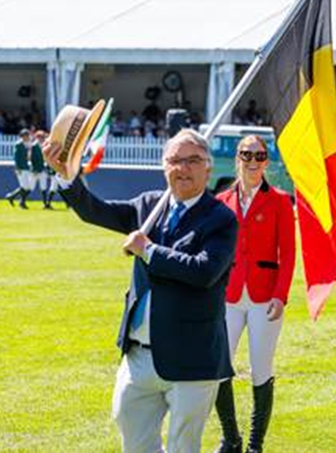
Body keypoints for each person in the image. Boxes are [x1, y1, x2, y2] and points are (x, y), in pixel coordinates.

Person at [43, 127, 238, 453]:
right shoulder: (149, 205)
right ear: (163, 166)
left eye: (193, 160)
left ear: (208, 168)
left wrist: (148, 251)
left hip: (192, 357)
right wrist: (66, 176)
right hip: (140, 356)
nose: (183, 168)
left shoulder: (221, 218)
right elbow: (95, 211)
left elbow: (204, 272)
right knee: (133, 440)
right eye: (174, 160)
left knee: (183, 446)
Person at [213, 135, 296, 453]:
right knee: (219, 366)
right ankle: (230, 437)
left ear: (266, 161)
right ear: (238, 158)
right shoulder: (221, 200)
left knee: (261, 368)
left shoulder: (279, 200)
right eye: (246, 154)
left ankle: (255, 444)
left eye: (259, 155)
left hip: (266, 297)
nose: (252, 161)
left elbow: (288, 253)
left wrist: (281, 294)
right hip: (229, 295)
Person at [4, 128, 33, 209]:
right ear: (22, 136)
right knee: (25, 187)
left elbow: (27, 157)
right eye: (26, 136)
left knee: (27, 187)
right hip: (21, 168)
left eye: (27, 135)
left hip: (25, 167)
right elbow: (16, 157)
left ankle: (12, 197)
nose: (27, 137)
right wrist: (17, 168)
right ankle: (20, 202)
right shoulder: (18, 144)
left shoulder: (26, 144)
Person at [30, 130, 53, 209]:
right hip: (35, 169)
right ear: (37, 137)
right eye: (40, 137)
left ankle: (45, 204)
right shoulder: (34, 146)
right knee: (30, 187)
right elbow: (32, 159)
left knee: (44, 187)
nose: (41, 139)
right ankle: (20, 200)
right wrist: (34, 169)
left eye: (42, 137)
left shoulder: (45, 145)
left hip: (43, 169)